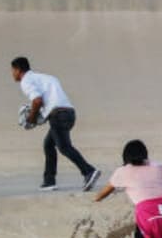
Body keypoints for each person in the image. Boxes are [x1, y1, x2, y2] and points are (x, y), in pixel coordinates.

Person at [11, 56, 101, 192]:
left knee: (64, 147)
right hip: (69, 113)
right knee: (48, 145)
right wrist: (40, 115)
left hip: (58, 115)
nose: (12, 74)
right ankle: (49, 181)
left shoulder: (26, 81)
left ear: (18, 70)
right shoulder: (48, 78)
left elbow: (37, 101)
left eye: (13, 70)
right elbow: (50, 100)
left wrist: (31, 119)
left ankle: (89, 171)